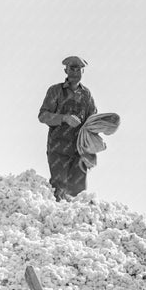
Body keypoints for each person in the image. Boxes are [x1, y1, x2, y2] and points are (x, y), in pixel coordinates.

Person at [38, 56, 97, 200]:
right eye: (72, 69)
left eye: (79, 69)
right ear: (66, 70)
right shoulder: (55, 91)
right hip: (58, 149)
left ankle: (75, 221)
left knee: (78, 192)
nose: (75, 72)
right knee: (59, 189)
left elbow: (93, 118)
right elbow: (43, 116)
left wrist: (99, 130)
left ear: (83, 72)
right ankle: (57, 220)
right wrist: (64, 118)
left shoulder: (86, 95)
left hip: (79, 150)